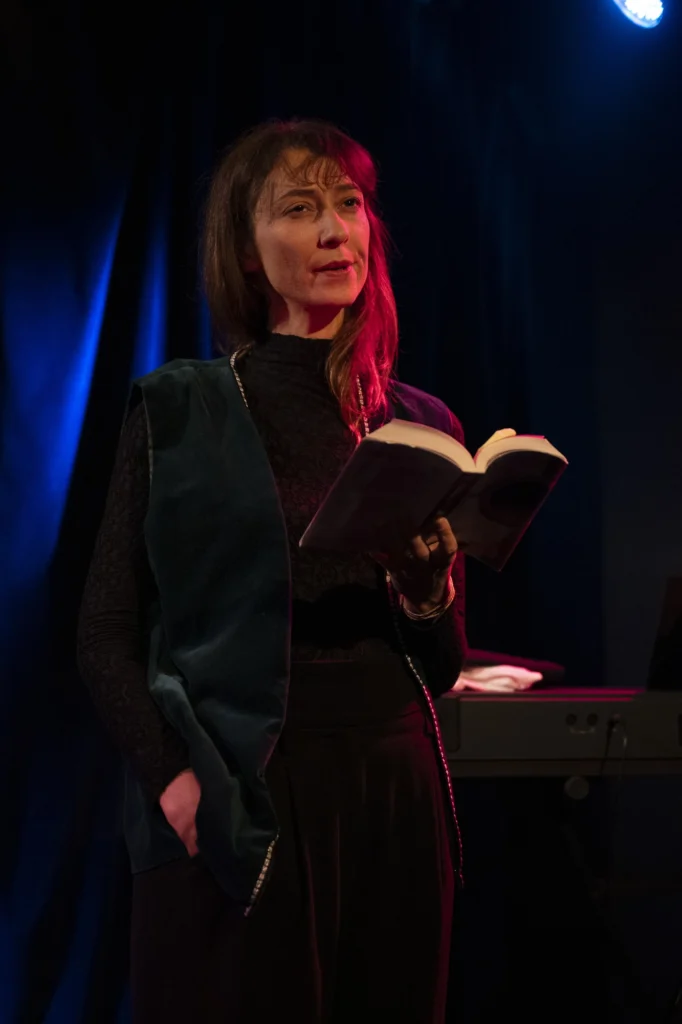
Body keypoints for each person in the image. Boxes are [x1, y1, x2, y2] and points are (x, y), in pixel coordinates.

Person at [77, 118, 468, 1024]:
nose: (335, 230)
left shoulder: (418, 422)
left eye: (349, 204)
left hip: (393, 783)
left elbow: (444, 666)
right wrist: (175, 780)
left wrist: (428, 594)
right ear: (248, 254)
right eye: (300, 208)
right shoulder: (182, 408)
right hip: (245, 786)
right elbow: (104, 629)